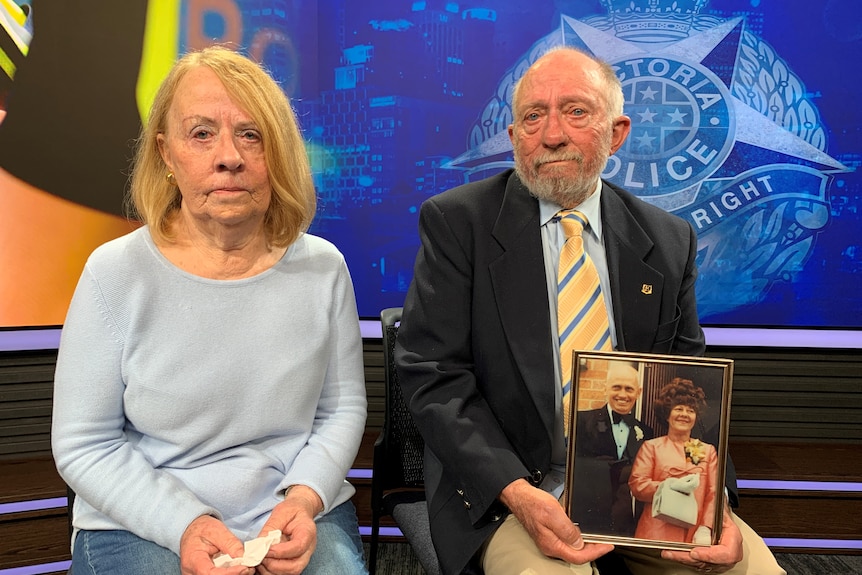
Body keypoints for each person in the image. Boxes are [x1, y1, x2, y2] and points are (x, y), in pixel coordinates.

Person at [395, 46, 785, 575]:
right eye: (533, 116)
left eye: (576, 112)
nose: (551, 134)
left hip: (650, 488)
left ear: (617, 132)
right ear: (513, 139)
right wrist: (516, 492)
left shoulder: (668, 241)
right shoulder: (457, 224)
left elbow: (689, 390)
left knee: (751, 570)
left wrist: (715, 507)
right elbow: (433, 378)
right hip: (510, 490)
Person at [51, 46, 369, 575]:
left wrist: (305, 499)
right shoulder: (113, 273)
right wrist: (186, 525)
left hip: (293, 508)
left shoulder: (324, 268)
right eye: (201, 134)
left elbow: (340, 411)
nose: (229, 156)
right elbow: (85, 443)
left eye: (251, 134)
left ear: (279, 153)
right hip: (141, 519)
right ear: (166, 155)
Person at [629, 378, 717, 545]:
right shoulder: (652, 447)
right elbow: (637, 485)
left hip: (694, 534)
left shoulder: (704, 450)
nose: (684, 414)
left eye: (691, 410)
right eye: (678, 408)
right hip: (656, 531)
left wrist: (706, 527)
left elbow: (713, 493)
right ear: (667, 415)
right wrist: (667, 486)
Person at [573, 360, 653, 537]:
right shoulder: (581, 421)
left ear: (638, 393)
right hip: (588, 515)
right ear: (605, 389)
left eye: (629, 389)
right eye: (616, 387)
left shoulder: (646, 431)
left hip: (625, 521)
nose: (622, 394)